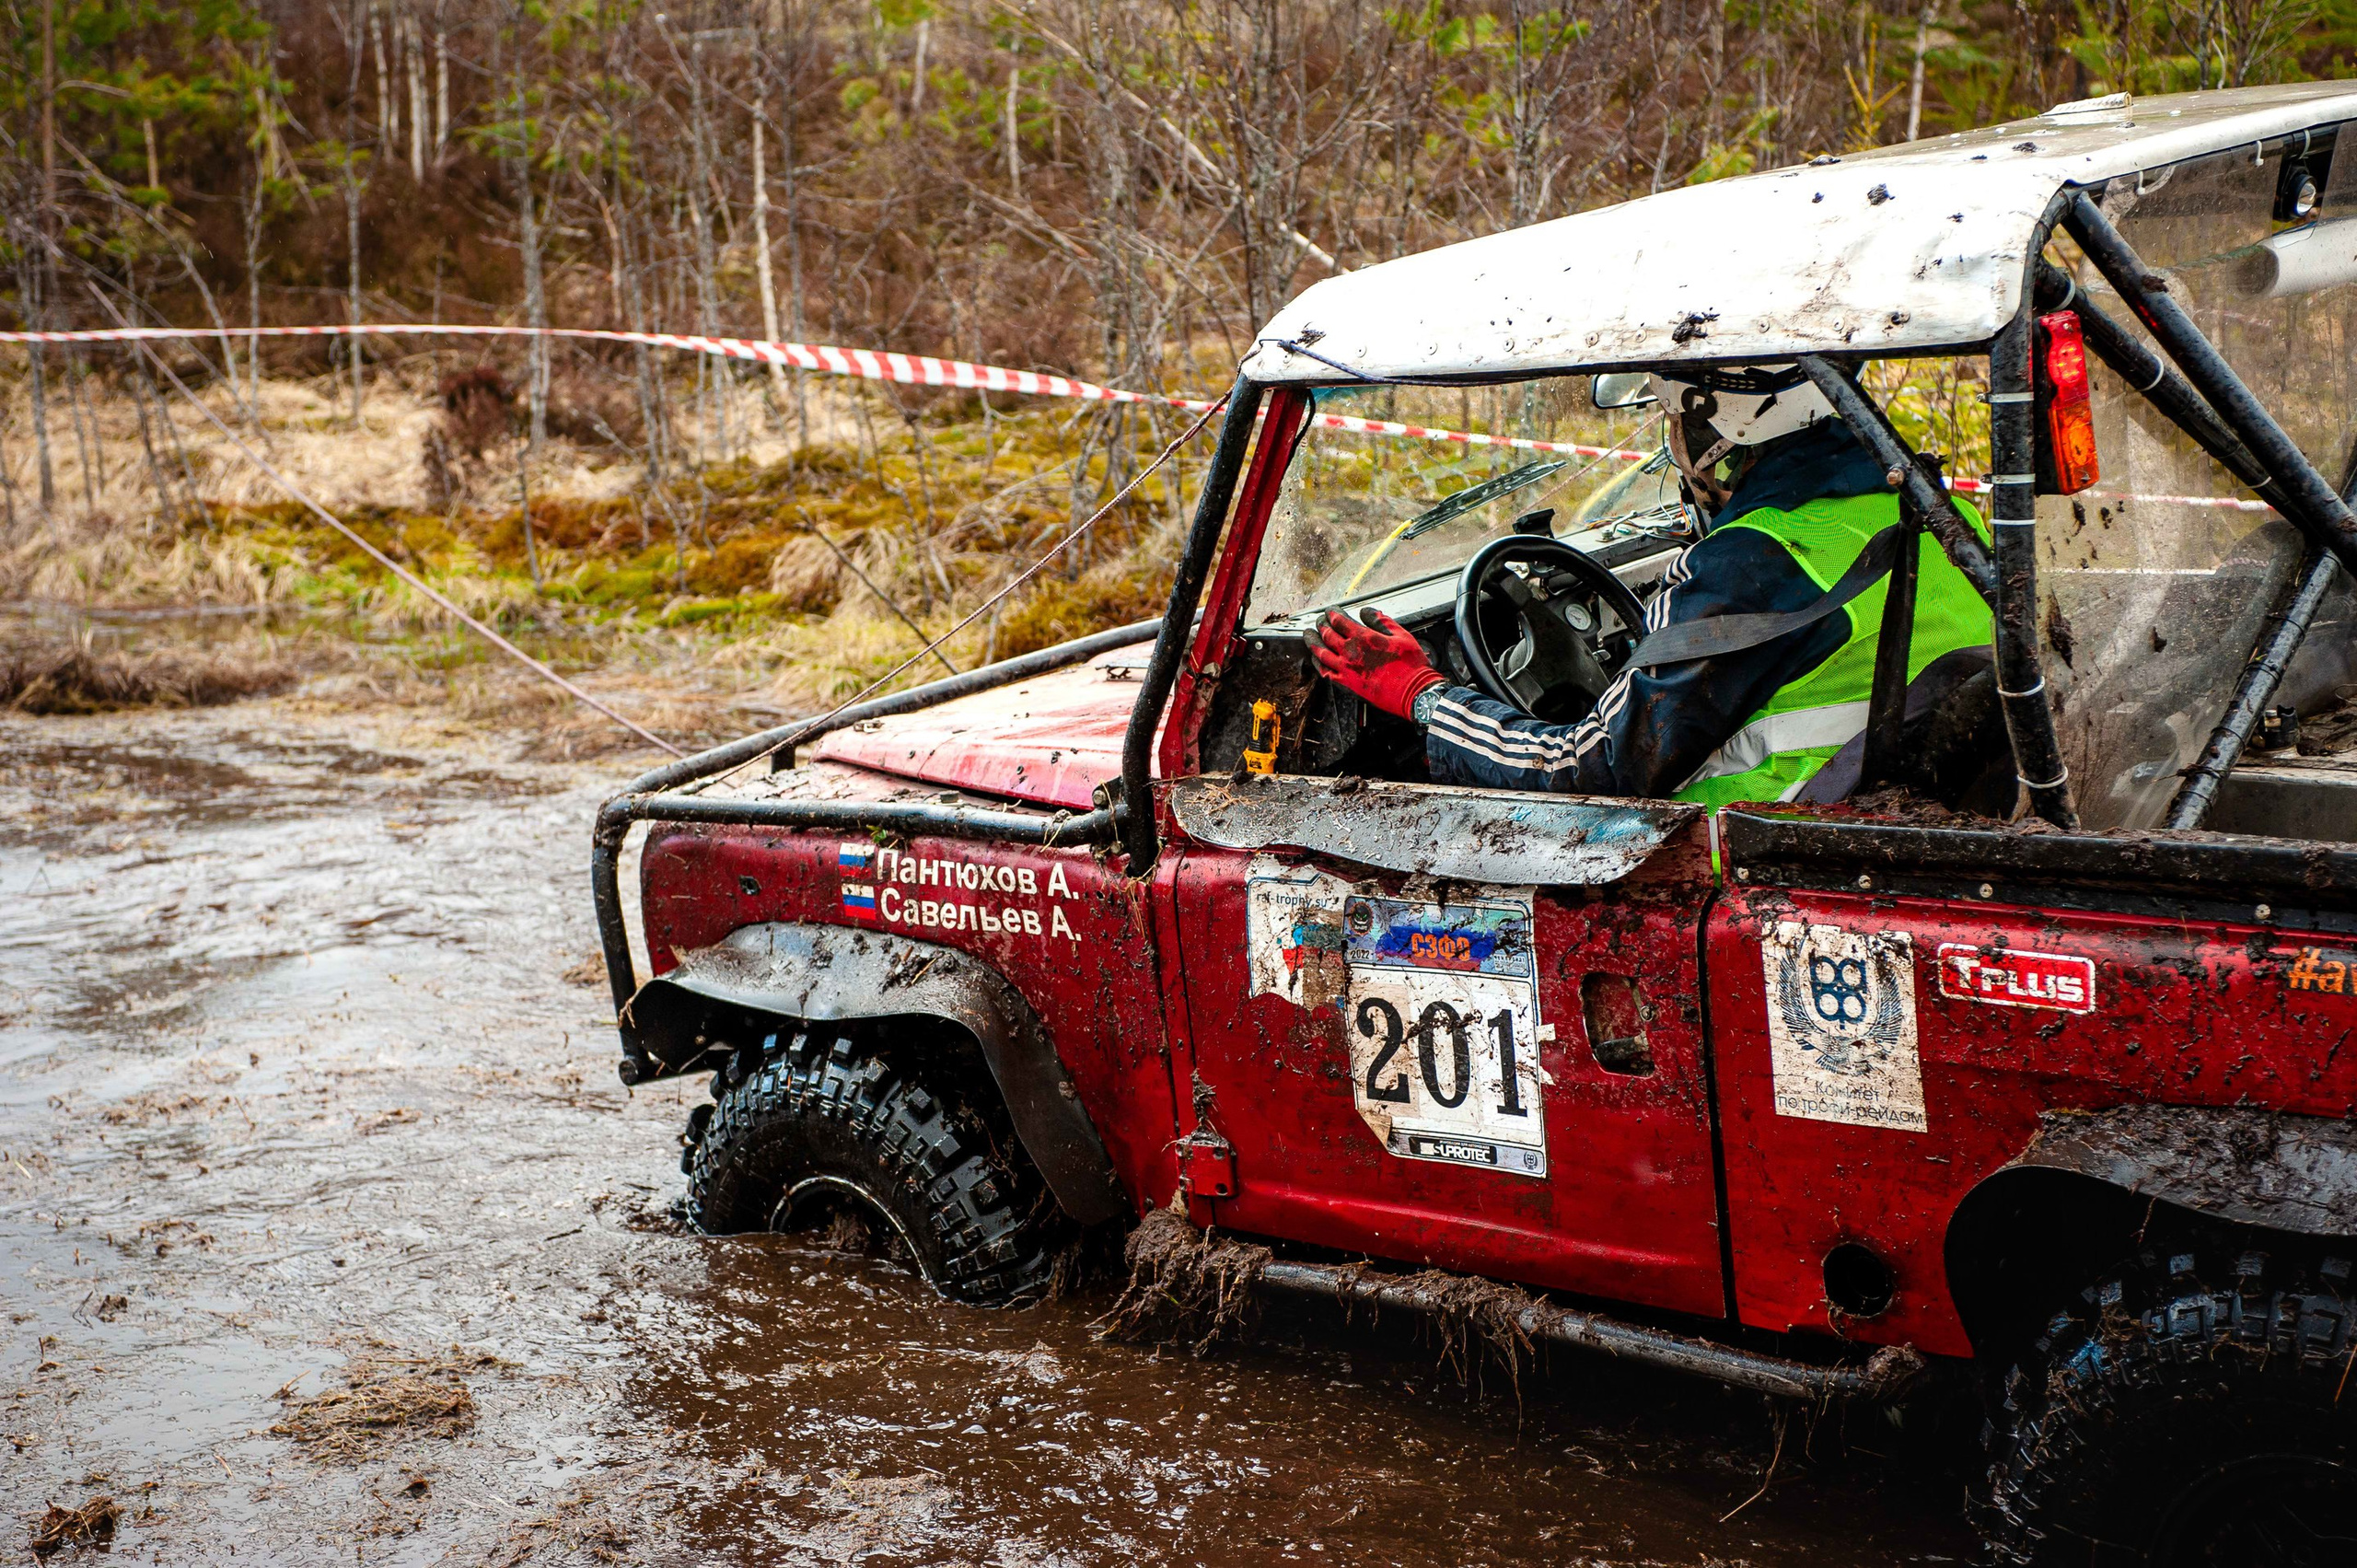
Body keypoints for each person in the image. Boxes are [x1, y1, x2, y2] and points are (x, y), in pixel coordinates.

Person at [1310, 368, 1995, 808]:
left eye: (1674, 421)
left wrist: (1422, 696)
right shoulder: (1930, 512)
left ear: (1718, 426)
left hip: (1747, 859)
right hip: (1914, 805)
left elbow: (1588, 771)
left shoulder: (1752, 563)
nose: (1674, 445)